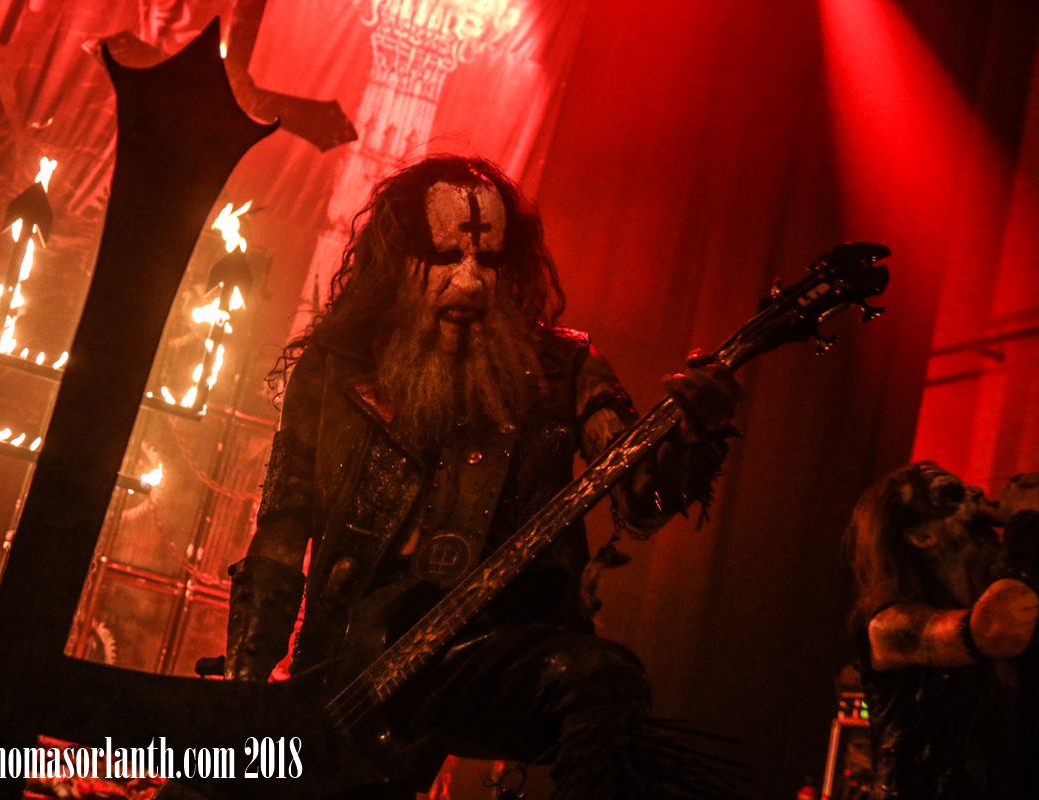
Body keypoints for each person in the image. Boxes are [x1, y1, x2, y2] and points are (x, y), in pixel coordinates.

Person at [227, 155, 743, 798]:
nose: (470, 283)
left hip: (493, 652)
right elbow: (279, 535)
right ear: (397, 261)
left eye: (489, 261)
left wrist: (695, 438)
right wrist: (242, 694)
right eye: (444, 257)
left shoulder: (566, 367)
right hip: (350, 665)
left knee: (604, 679)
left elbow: (641, 503)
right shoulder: (333, 371)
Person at [846, 462, 1039, 799]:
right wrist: (1026, 522)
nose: (976, 493)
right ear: (922, 537)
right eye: (951, 493)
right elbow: (997, 630)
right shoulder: (889, 626)